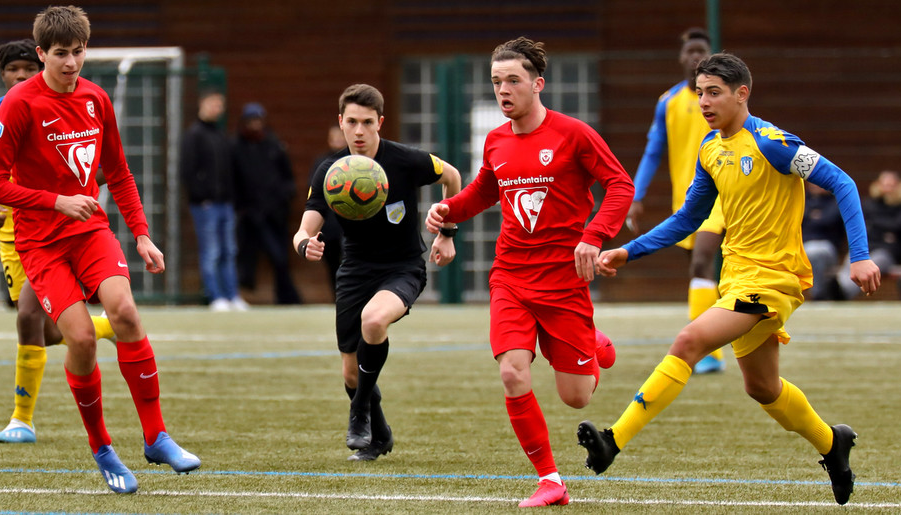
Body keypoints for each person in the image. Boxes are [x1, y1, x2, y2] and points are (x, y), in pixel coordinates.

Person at [579, 53, 881, 506]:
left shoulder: (773, 143)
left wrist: (860, 256)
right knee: (762, 387)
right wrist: (628, 251)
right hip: (737, 277)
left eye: (714, 92)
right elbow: (689, 218)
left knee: (688, 341)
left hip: (774, 277)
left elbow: (842, 182)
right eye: (699, 92)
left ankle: (612, 441)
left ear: (743, 94)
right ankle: (832, 443)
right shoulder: (710, 148)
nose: (703, 101)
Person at [0, 6, 199, 494]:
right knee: (78, 339)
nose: (71, 63)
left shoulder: (97, 99)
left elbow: (118, 172)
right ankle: (102, 448)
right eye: (61, 54)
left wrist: (142, 234)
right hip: (39, 242)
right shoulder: (20, 104)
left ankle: (156, 436)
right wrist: (56, 200)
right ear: (41, 54)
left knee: (124, 310)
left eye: (79, 52)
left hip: (90, 233)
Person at [425, 37, 632, 508]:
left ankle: (593, 342)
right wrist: (446, 211)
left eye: (513, 81)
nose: (503, 90)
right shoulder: (496, 139)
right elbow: (484, 190)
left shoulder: (573, 134)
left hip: (563, 281)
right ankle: (550, 480)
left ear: (538, 84)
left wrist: (594, 234)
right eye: (496, 82)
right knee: (513, 374)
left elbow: (620, 184)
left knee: (576, 398)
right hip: (511, 277)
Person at [294, 84, 461, 462]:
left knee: (374, 321)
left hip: (402, 268)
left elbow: (452, 176)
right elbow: (303, 229)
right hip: (353, 271)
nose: (358, 131)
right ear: (340, 122)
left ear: (380, 123)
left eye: (367, 122)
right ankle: (380, 435)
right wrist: (306, 244)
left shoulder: (405, 161)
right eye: (351, 122)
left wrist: (448, 233)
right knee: (351, 374)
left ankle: (359, 415)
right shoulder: (330, 172)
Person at [0, 38, 115, 445]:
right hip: (12, 235)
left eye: (29, 69)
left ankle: (21, 419)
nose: (22, 76)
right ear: (3, 74)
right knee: (38, 326)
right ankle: (104, 326)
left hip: (55, 231)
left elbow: (103, 166)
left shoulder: (65, 107)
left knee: (29, 315)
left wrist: (73, 193)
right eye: (14, 70)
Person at [626, 28, 729, 374]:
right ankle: (720, 340)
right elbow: (653, 152)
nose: (695, 56)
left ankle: (707, 353)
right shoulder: (668, 102)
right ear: (682, 58)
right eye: (690, 51)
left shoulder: (724, 99)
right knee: (710, 274)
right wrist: (636, 196)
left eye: (702, 50)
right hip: (688, 202)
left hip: (726, 197)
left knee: (701, 264)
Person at [180, 90, 248, 311]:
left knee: (229, 250)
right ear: (202, 104)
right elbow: (187, 171)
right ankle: (215, 296)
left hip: (225, 204)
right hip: (205, 205)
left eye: (220, 105)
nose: (216, 109)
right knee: (211, 251)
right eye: (213, 104)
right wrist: (202, 196)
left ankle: (232, 295)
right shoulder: (194, 135)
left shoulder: (220, 135)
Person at [234, 102, 302, 304]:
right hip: (252, 214)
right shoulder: (237, 148)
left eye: (258, 120)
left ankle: (286, 297)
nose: (255, 124)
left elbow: (287, 176)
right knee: (252, 257)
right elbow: (236, 180)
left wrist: (284, 196)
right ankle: (287, 297)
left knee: (280, 257)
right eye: (251, 120)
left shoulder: (274, 145)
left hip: (276, 212)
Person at [836, 170, 901, 299]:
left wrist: (875, 223)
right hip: (868, 247)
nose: (888, 189)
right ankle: (838, 288)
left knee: (874, 261)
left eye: (891, 185)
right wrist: (887, 230)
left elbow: (898, 226)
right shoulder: (869, 204)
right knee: (851, 260)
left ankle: (842, 293)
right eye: (884, 184)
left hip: (889, 253)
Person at [308, 125, 347, 295]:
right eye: (334, 136)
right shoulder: (322, 162)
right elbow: (315, 193)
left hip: (348, 223)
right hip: (329, 223)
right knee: (332, 263)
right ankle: (336, 296)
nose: (337, 139)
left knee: (349, 261)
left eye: (340, 136)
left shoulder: (355, 161)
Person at [802, 182, 845, 300]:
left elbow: (829, 220)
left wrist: (811, 217)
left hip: (828, 248)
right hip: (803, 246)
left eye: (819, 182)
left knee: (815, 253)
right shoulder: (802, 199)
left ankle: (818, 295)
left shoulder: (836, 201)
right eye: (812, 182)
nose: (815, 185)